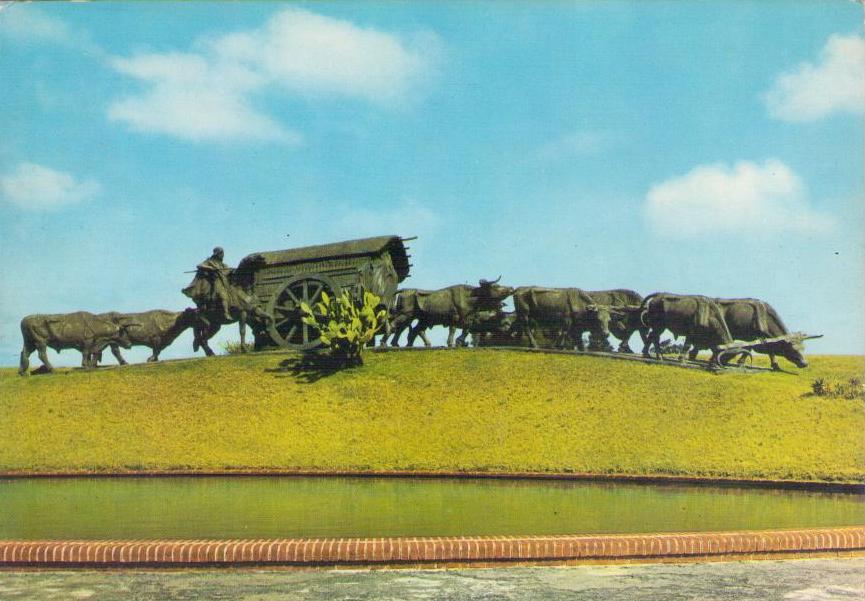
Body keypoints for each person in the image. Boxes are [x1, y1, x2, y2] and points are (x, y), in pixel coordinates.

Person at [182, 247, 234, 322]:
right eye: (221, 253)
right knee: (222, 295)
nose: (223, 255)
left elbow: (227, 271)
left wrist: (232, 271)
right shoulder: (210, 261)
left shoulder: (223, 265)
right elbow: (199, 265)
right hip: (214, 282)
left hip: (224, 282)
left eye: (223, 254)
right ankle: (226, 313)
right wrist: (210, 268)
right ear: (218, 254)